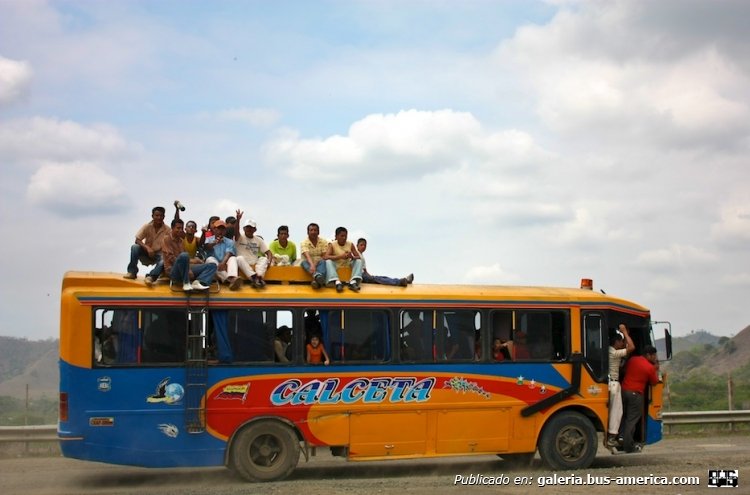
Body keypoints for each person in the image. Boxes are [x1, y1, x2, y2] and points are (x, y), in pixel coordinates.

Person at [620, 345, 660, 453]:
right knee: (632, 420)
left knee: (623, 416)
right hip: (636, 394)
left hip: (623, 391)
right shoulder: (649, 367)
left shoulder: (632, 359)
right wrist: (656, 369)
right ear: (648, 355)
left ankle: (620, 437)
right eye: (654, 355)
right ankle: (628, 446)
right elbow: (654, 382)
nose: (655, 358)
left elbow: (624, 370)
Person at [160, 218, 217, 291]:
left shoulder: (180, 241)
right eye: (178, 228)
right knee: (184, 255)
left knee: (212, 265)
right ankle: (186, 283)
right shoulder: (166, 239)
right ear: (172, 228)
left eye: (181, 228)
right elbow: (171, 259)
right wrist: (188, 269)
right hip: (173, 270)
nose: (180, 230)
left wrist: (192, 265)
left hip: (186, 268)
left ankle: (199, 282)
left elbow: (201, 244)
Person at [607, 324, 635, 447]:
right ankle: (612, 437)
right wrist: (625, 332)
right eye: (621, 342)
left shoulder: (610, 351)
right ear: (616, 342)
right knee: (617, 412)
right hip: (614, 384)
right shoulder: (614, 352)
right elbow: (631, 347)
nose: (623, 344)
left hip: (610, 382)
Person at [125, 206, 170, 282]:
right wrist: (147, 248)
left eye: (161, 216)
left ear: (164, 217)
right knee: (134, 247)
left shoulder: (168, 230)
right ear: (152, 216)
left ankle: (151, 276)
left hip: (159, 254)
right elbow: (137, 240)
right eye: (156, 215)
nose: (159, 217)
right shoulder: (147, 226)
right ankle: (132, 272)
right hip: (146, 251)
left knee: (164, 258)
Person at [233, 210, 272, 288]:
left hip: (254, 262)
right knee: (238, 258)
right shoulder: (240, 237)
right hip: (243, 262)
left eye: (251, 227)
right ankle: (254, 278)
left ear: (255, 230)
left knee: (263, 259)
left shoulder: (258, 239)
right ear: (244, 228)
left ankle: (259, 277)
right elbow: (236, 231)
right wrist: (238, 220)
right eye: (248, 227)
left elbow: (268, 252)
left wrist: (269, 262)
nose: (249, 229)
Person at [204, 220, 242, 290]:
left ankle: (233, 277)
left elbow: (229, 253)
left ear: (225, 231)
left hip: (223, 264)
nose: (220, 231)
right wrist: (215, 243)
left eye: (223, 229)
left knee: (232, 258)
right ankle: (231, 280)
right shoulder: (208, 239)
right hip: (213, 265)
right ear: (214, 229)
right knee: (210, 259)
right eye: (218, 229)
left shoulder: (229, 241)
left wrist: (223, 263)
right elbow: (207, 247)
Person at [324, 227, 364, 292]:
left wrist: (352, 257)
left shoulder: (350, 244)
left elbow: (358, 257)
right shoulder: (332, 244)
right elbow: (326, 257)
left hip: (347, 265)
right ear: (337, 236)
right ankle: (337, 282)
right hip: (336, 266)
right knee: (328, 261)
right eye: (342, 236)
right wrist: (340, 256)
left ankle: (353, 282)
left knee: (358, 261)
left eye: (345, 236)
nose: (344, 238)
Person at [300, 222, 328, 289]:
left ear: (318, 232)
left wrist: (316, 263)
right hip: (308, 263)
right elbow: (307, 256)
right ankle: (317, 277)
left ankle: (317, 282)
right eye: (311, 230)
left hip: (319, 262)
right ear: (308, 232)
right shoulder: (304, 242)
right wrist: (312, 265)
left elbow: (324, 255)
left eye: (315, 230)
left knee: (323, 262)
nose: (313, 232)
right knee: (303, 263)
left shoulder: (323, 241)